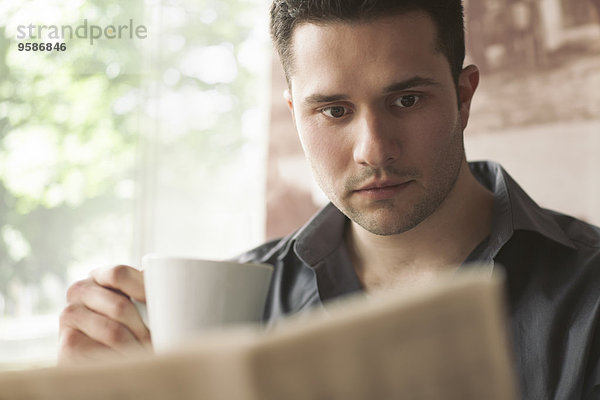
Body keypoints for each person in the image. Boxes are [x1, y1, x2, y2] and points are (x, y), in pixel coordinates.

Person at [59, 0, 600, 398]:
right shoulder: (237, 304)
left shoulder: (589, 291)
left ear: (463, 96)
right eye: (334, 111)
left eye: (406, 99)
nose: (373, 150)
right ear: (295, 113)